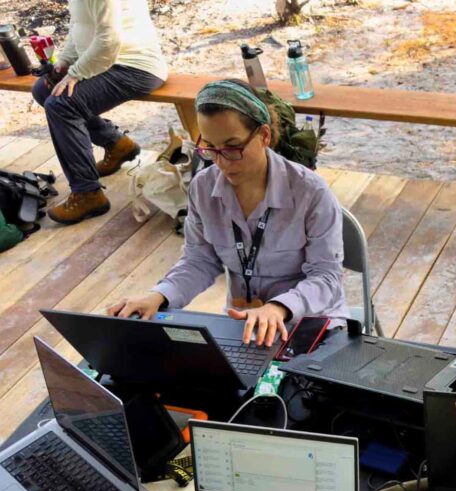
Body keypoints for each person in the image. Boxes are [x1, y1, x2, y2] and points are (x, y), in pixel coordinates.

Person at [107, 80, 348, 347]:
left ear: (264, 136)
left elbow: (326, 277)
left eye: (233, 147)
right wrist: (158, 296)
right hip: (244, 326)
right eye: (210, 147)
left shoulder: (310, 192)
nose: (221, 161)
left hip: (310, 324)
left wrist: (278, 307)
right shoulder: (203, 187)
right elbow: (199, 261)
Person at [31, 0, 168, 225]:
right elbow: (81, 29)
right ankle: (116, 144)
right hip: (109, 62)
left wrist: (76, 73)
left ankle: (88, 193)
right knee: (43, 90)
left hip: (135, 67)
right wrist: (64, 63)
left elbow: (108, 40)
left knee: (61, 104)